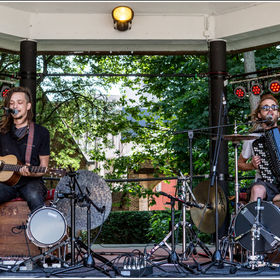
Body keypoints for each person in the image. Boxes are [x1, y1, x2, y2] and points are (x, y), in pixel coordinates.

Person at [0, 86, 50, 212]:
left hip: (31, 182)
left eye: (19, 102)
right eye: (12, 103)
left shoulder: (41, 133)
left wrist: (32, 172)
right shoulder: (1, 131)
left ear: (28, 106)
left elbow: (44, 167)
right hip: (5, 183)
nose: (15, 106)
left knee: (34, 196)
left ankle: (39, 230)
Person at [238, 93, 280, 202]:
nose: (270, 110)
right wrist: (252, 165)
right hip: (266, 183)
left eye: (274, 107)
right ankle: (254, 218)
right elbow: (239, 164)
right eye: (265, 108)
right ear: (259, 115)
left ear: (278, 113)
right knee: (257, 189)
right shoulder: (253, 138)